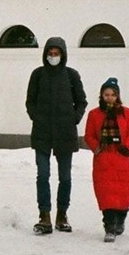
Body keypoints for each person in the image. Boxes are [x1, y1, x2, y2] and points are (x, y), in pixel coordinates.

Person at [25, 36, 87, 234]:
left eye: (56, 53)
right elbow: (30, 101)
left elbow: (82, 101)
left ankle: (62, 214)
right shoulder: (38, 75)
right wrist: (36, 117)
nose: (53, 56)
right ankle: (44, 215)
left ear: (63, 54)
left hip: (65, 133)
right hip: (42, 133)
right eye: (50, 53)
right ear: (46, 54)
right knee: (42, 175)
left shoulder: (71, 76)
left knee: (65, 177)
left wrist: (73, 118)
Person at [84, 77, 129, 242]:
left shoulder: (126, 113)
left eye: (112, 94)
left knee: (124, 194)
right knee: (106, 195)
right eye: (106, 94)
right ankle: (109, 226)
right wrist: (97, 148)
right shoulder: (94, 114)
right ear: (101, 95)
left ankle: (120, 219)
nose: (109, 97)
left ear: (117, 96)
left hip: (122, 157)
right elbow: (89, 135)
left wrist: (127, 147)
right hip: (104, 158)